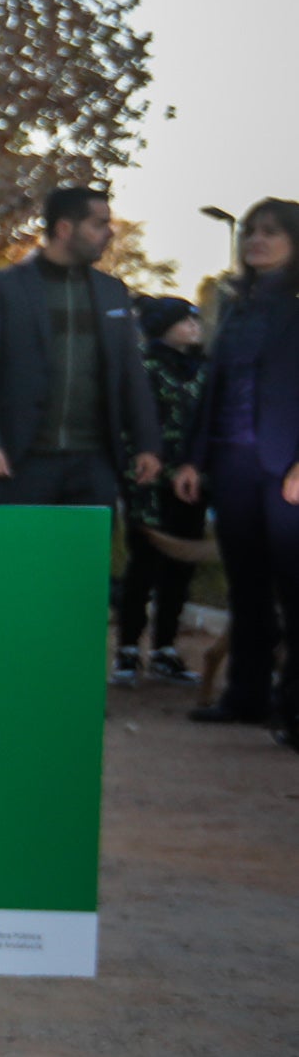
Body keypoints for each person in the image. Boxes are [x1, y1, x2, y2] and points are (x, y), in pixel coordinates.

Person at [0, 187, 164, 508]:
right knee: (20, 557)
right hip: (21, 461)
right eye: (99, 224)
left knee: (84, 558)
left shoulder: (113, 292)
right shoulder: (2, 288)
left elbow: (131, 373)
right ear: (64, 228)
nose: (109, 232)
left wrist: (148, 444)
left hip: (94, 463)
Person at [180, 199, 299, 733]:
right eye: (250, 231)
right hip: (231, 465)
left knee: (294, 588)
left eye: (270, 232)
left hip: (286, 470)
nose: (256, 240)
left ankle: (294, 708)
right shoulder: (232, 304)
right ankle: (245, 697)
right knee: (246, 587)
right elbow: (213, 387)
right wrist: (192, 458)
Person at [115, 293, 212, 684]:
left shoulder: (204, 370)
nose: (193, 326)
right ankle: (126, 649)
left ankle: (165, 649)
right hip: (149, 483)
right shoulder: (143, 367)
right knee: (144, 564)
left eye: (195, 320)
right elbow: (132, 424)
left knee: (181, 565)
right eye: (184, 320)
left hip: (193, 482)